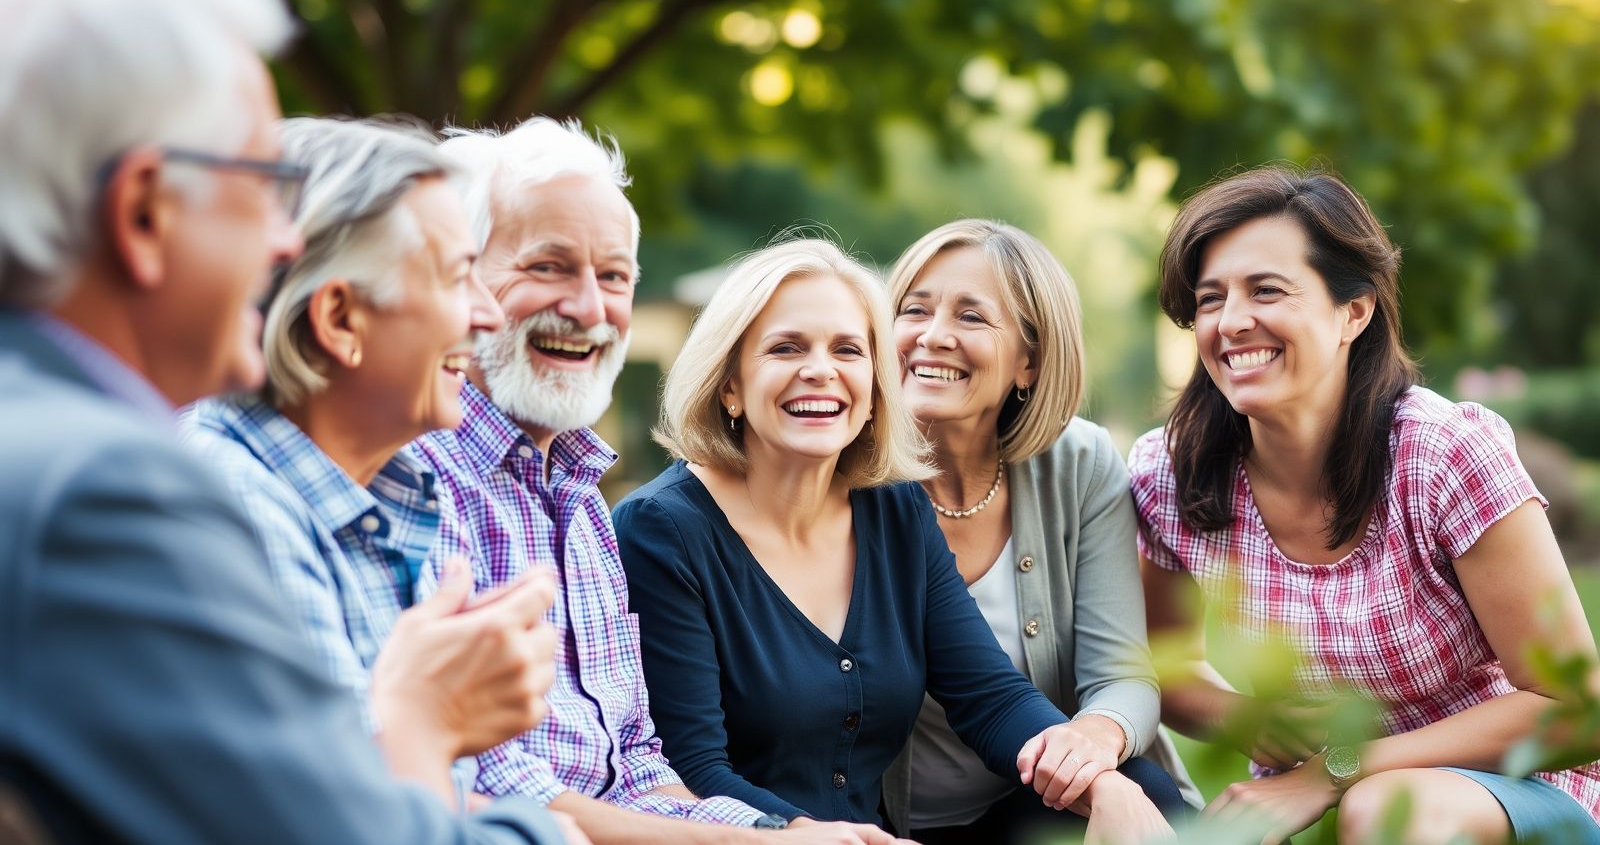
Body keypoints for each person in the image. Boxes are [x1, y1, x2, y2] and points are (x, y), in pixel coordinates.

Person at [0, 0, 563, 843]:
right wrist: (427, 732)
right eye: (265, 185)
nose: (284, 246)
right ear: (145, 212)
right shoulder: (108, 491)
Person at [412, 120, 899, 845]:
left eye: (613, 277)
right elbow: (492, 790)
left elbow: (638, 769)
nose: (587, 307)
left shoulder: (580, 501)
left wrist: (795, 833)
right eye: (547, 266)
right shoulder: (420, 482)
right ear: (462, 280)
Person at [613, 238, 1170, 842]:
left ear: (876, 385)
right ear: (729, 385)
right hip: (758, 838)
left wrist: (1101, 781)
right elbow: (692, 769)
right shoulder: (661, 531)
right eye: (786, 347)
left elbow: (989, 696)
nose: (821, 370)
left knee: (1143, 793)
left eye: (848, 349)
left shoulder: (894, 506)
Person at [1132, 164, 1600, 843]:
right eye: (1210, 299)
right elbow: (1163, 668)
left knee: (1385, 813)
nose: (1232, 322)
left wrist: (1338, 771)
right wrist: (1251, 719)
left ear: (1354, 311)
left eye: (1267, 290)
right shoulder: (1173, 474)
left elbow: (1577, 710)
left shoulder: (1442, 454)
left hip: (1511, 793)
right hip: (1307, 804)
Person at [181, 117, 573, 820]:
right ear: (340, 319)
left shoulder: (387, 497)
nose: (487, 316)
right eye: (460, 277)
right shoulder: (235, 515)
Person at [880, 220, 1192, 843]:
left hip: (1038, 804)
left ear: (1029, 362)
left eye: (971, 318)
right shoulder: (848, 477)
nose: (933, 336)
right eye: (914, 310)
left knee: (1145, 791)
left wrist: (1092, 738)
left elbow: (1123, 674)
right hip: (883, 820)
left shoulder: (1078, 462)